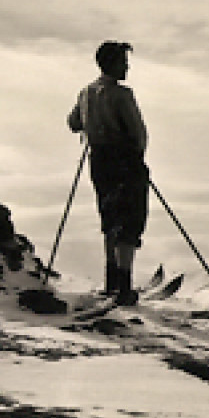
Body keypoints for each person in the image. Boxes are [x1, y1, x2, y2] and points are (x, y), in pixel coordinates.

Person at [67, 41, 149, 305]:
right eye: (123, 62)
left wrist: (92, 126)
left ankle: (111, 282)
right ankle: (124, 286)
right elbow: (137, 133)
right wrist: (137, 159)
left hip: (99, 162)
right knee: (130, 217)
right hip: (124, 162)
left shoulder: (85, 93)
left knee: (109, 217)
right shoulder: (122, 95)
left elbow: (72, 122)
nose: (127, 67)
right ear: (113, 64)